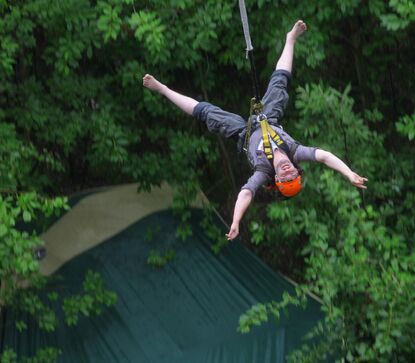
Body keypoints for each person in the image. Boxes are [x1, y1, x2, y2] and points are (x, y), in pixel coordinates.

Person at [143, 20, 367, 241]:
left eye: (285, 178)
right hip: (270, 119)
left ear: (277, 179)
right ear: (297, 171)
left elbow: (246, 193)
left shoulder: (263, 171)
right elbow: (325, 156)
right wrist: (348, 174)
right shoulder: (296, 152)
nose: (288, 172)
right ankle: (290, 40)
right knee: (279, 83)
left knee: (206, 113)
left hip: (244, 133)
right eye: (293, 176)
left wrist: (235, 220)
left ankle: (162, 89)